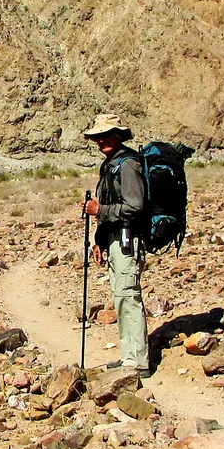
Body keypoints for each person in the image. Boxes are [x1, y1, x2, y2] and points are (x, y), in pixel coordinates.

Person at [81, 118, 150, 372]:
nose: (101, 140)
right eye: (98, 136)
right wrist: (99, 241)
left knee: (128, 297)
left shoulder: (128, 165)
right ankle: (128, 357)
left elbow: (135, 206)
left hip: (128, 241)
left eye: (107, 134)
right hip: (115, 240)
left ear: (118, 136)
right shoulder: (110, 165)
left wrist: (100, 209)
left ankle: (138, 361)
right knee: (121, 298)